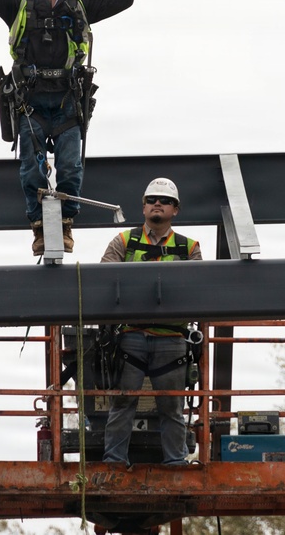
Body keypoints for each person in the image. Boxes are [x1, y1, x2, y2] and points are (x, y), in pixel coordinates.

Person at [0, 0, 143, 255]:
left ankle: (66, 223)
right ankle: (39, 228)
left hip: (68, 103)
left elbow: (118, 1)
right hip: (30, 103)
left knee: (70, 166)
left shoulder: (78, 2)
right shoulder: (20, 1)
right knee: (32, 167)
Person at [101, 178, 202, 466]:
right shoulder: (123, 242)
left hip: (171, 338)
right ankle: (115, 460)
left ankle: (175, 462)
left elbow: (198, 289)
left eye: (165, 200)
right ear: (144, 207)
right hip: (132, 336)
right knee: (123, 403)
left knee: (171, 406)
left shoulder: (189, 247)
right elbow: (104, 279)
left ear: (175, 209)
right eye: (152, 199)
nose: (158, 203)